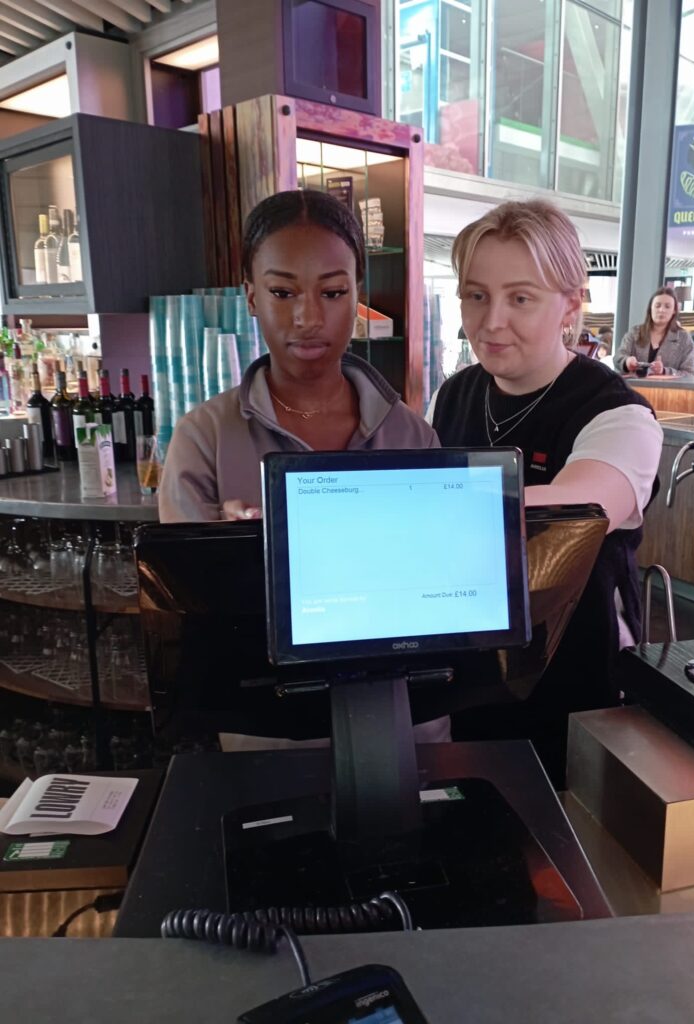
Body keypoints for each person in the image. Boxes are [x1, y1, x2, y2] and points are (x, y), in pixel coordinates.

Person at [429, 199, 663, 783]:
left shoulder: (618, 417)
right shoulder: (453, 394)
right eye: (475, 295)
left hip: (580, 683)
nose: (490, 321)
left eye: (520, 298)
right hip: (473, 670)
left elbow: (563, 518)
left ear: (571, 305)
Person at [160, 189, 438, 523]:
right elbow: (183, 573)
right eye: (282, 292)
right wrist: (232, 550)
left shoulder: (412, 438)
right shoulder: (204, 440)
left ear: (357, 297)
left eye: (333, 293)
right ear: (251, 298)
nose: (309, 318)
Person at [614, 287, 694, 375]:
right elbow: (618, 358)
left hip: (667, 388)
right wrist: (626, 362)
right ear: (650, 308)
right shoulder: (635, 332)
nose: (661, 310)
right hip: (632, 387)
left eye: (667, 307)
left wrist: (665, 371)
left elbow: (689, 373)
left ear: (674, 311)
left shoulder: (684, 339)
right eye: (657, 306)